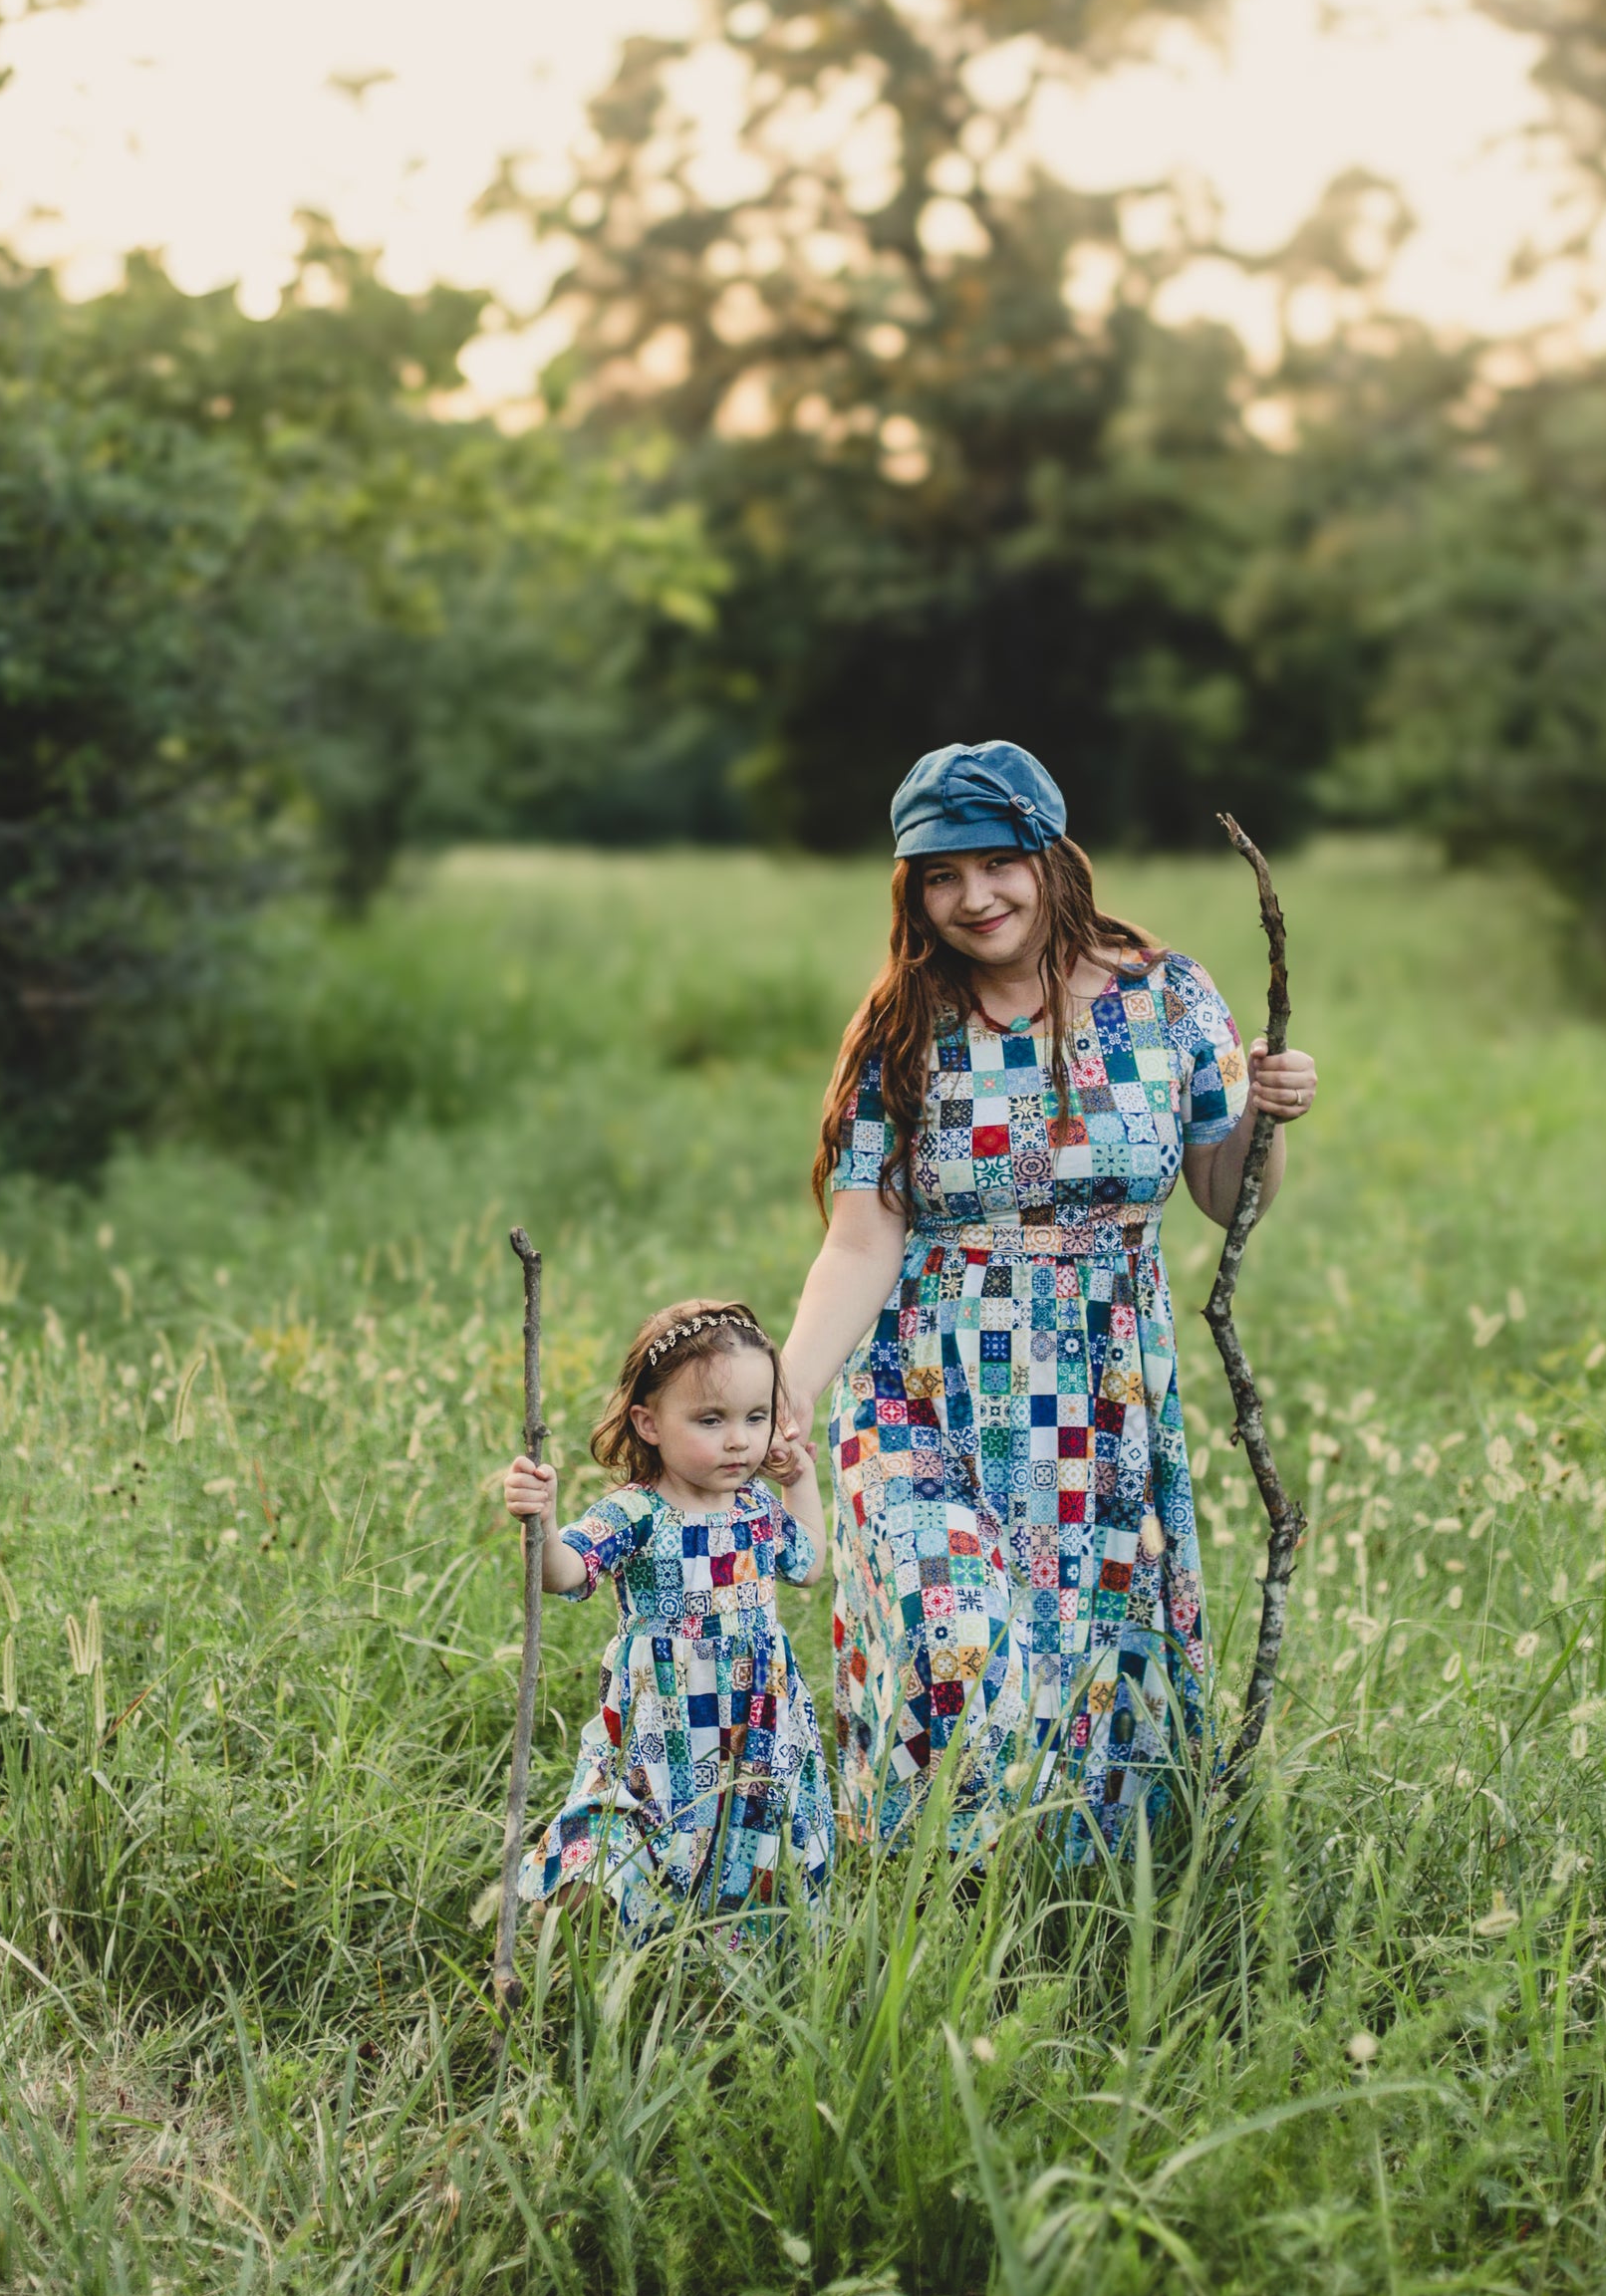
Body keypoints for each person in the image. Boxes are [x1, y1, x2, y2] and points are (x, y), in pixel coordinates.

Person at [780, 741, 1318, 1860]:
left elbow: (1224, 1196)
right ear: (911, 888)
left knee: (1078, 1664)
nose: (971, 898)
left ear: (1049, 855)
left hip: (1097, 1390)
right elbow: (863, 1229)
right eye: (938, 874)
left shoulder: (1166, 995)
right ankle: (919, 1883)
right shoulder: (899, 1023)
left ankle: (1052, 1918)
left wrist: (1268, 1113)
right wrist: (787, 1390)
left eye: (994, 862)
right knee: (955, 1640)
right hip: (923, 1382)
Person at [502, 1299, 834, 1939]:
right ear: (648, 1423)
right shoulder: (636, 1512)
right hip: (661, 1719)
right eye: (711, 1419)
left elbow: (811, 1562)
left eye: (756, 1417)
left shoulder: (757, 1507)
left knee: (751, 1830)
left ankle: (727, 1954)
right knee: (628, 1830)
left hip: (756, 1716)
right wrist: (540, 1524)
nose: (739, 1439)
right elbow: (561, 1573)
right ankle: (583, 1934)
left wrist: (801, 1480)